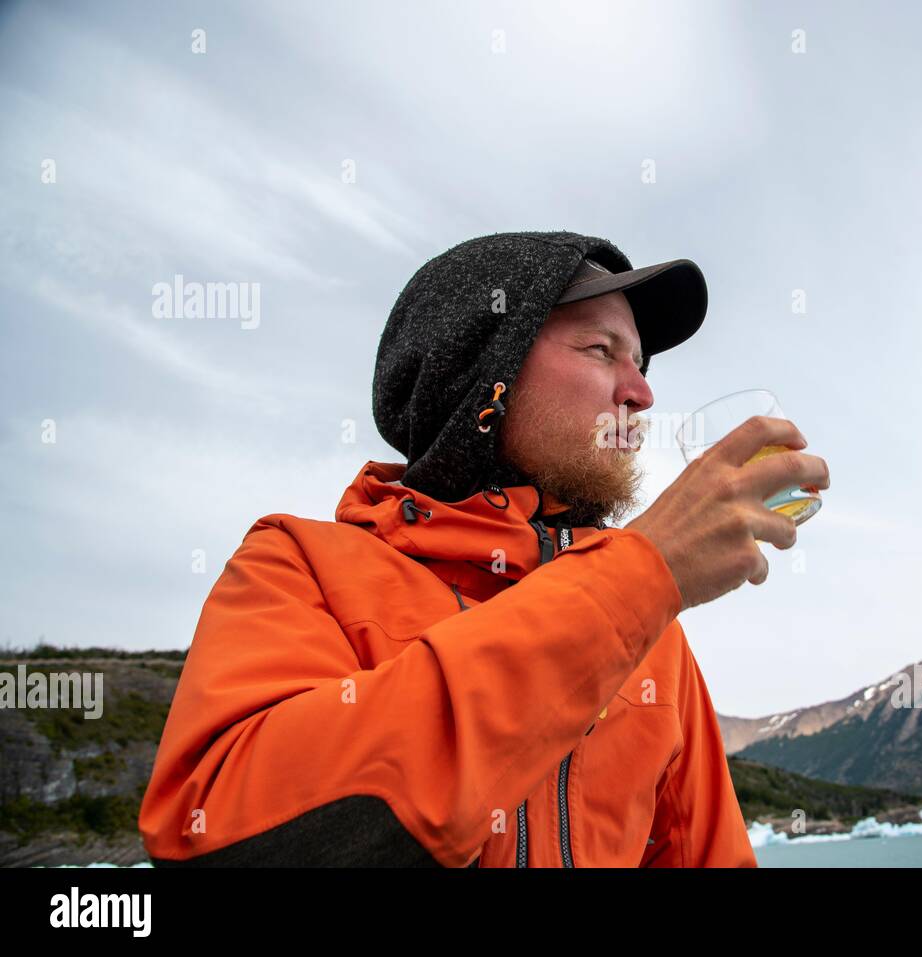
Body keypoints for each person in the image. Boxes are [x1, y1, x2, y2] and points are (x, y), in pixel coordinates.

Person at [137, 230, 830, 867]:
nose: (642, 392)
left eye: (642, 363)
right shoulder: (296, 563)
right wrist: (634, 579)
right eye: (602, 350)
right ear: (484, 372)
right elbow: (213, 837)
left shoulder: (656, 639)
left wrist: (635, 586)